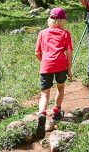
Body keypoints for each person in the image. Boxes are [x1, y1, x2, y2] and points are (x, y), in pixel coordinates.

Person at [34, 7, 73, 139]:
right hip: (61, 65)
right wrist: (69, 69)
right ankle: (56, 111)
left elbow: (37, 53)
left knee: (44, 94)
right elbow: (69, 53)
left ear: (50, 19)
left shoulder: (42, 33)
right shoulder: (65, 34)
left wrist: (44, 61)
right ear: (62, 21)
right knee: (60, 87)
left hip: (46, 66)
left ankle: (41, 113)